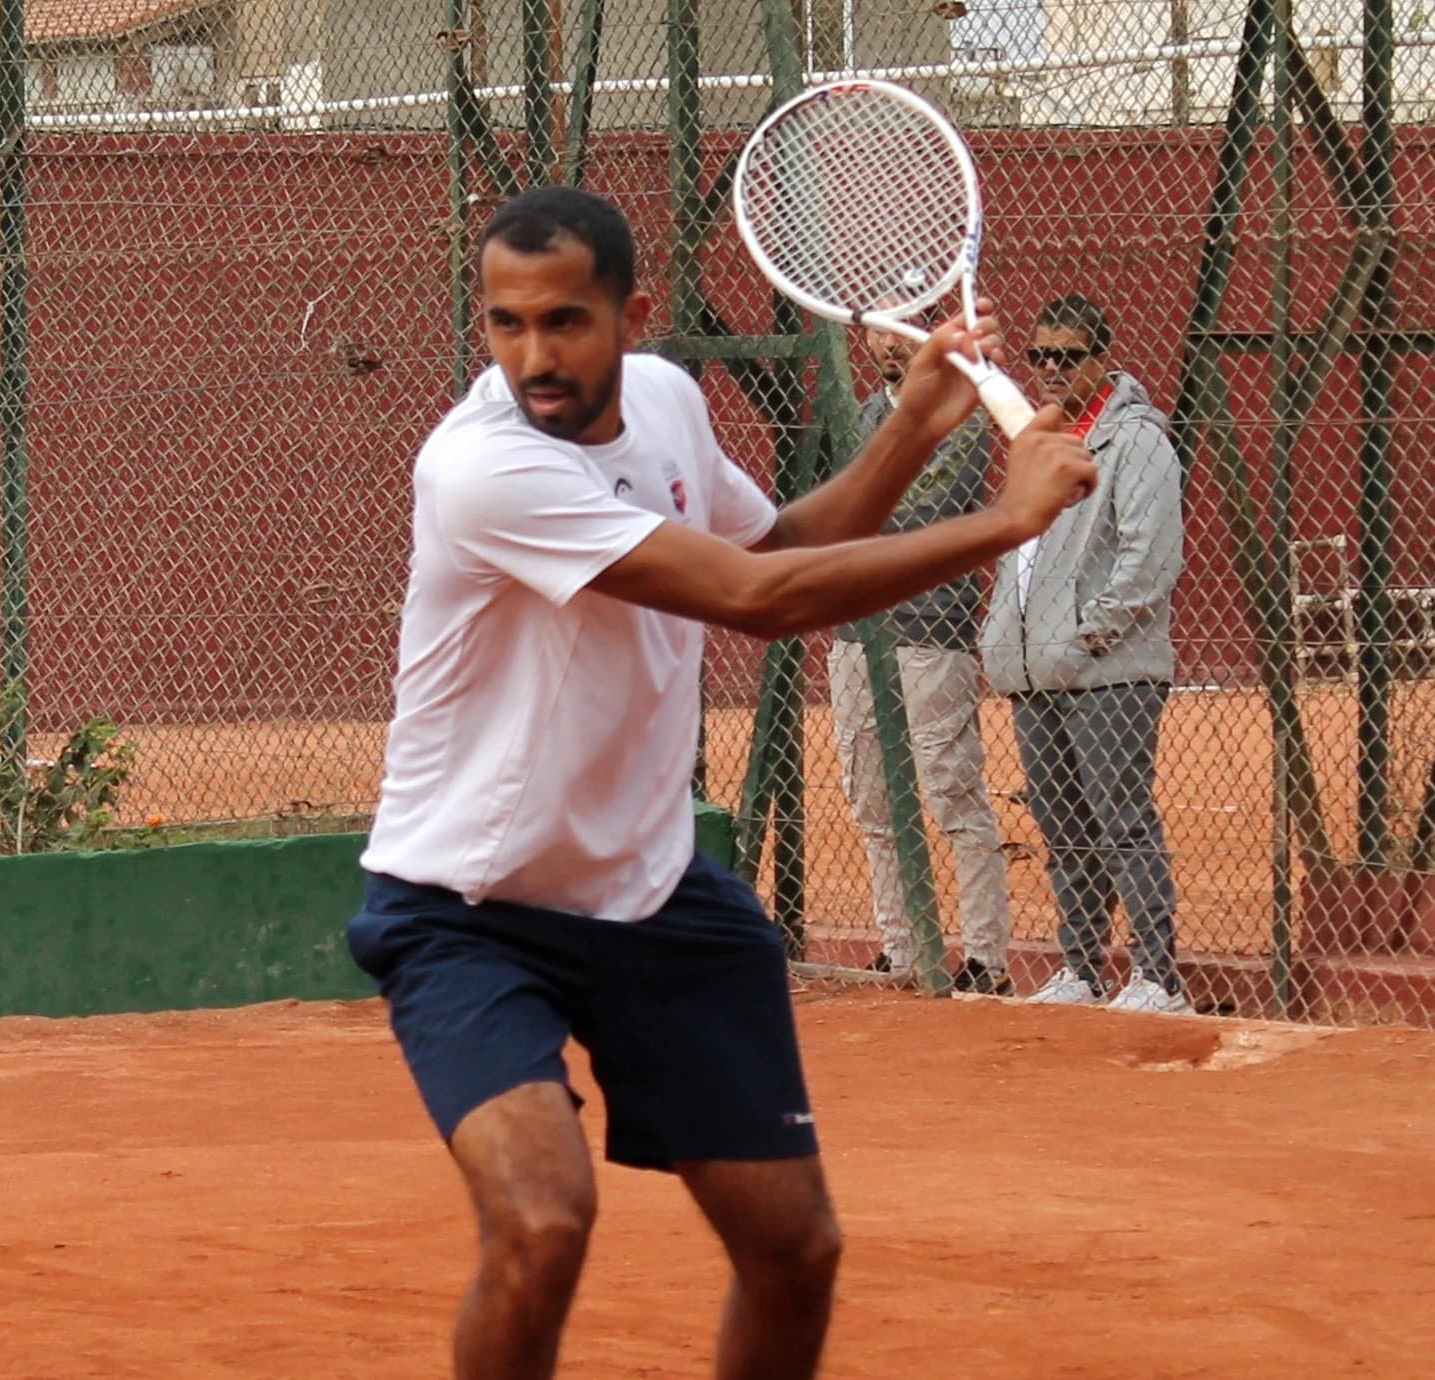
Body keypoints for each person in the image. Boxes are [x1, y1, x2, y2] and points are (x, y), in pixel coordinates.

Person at [347, 184, 1097, 1380]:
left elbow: (777, 551)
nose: (532, 356)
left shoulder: (662, 402)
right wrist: (1006, 522)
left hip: (649, 895)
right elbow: (762, 605)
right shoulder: (480, 470)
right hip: (470, 910)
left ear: (631, 315)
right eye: (504, 324)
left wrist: (910, 429)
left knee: (794, 1249)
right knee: (541, 1221)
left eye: (564, 323)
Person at [978, 294, 1191, 1015]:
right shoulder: (1035, 441)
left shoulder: (1137, 441)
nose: (1052, 370)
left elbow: (1152, 557)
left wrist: (1087, 634)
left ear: (1103, 359)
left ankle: (1159, 977)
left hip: (1109, 670)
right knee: (1063, 828)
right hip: (1037, 668)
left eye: (1069, 356)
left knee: (1122, 820)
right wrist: (1016, 638)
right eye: (1041, 356)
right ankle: (1081, 969)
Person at [828, 313, 1014, 995]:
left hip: (933, 631)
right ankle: (901, 946)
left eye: (903, 328)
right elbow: (837, 509)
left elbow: (930, 510)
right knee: (872, 800)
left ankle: (987, 959)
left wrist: (862, 507)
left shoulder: (957, 413)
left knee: (952, 795)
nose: (888, 341)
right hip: (857, 632)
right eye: (878, 328)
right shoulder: (858, 414)